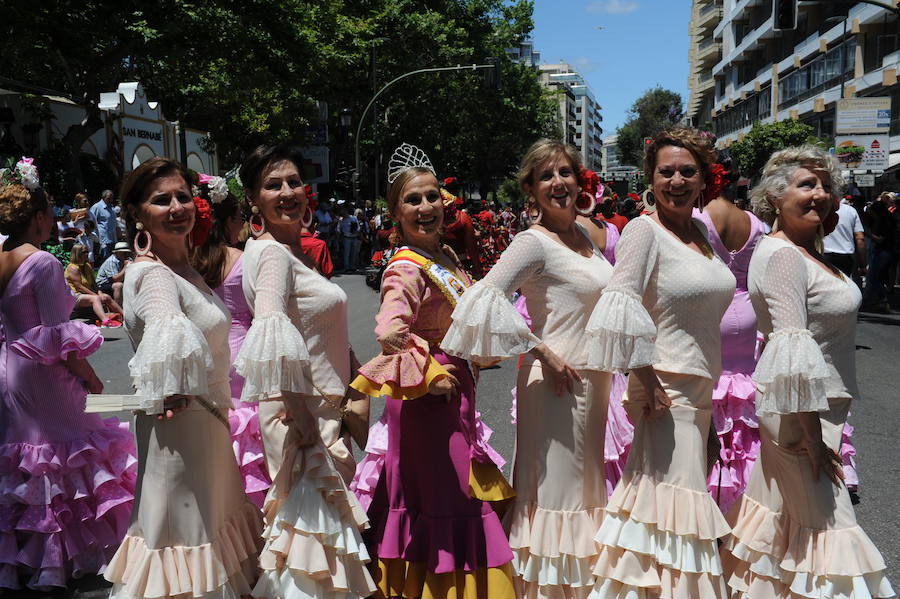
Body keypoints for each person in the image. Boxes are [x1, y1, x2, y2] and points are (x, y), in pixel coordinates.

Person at [443, 139, 613, 598]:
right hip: (555, 382)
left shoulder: (586, 237)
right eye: (546, 176)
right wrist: (539, 349)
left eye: (564, 173)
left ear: (580, 179)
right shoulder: (531, 242)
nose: (558, 183)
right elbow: (482, 299)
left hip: (594, 383)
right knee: (557, 491)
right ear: (531, 189)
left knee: (586, 487)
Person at [722, 145, 895, 598]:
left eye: (825, 186)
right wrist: (811, 436)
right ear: (776, 196)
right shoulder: (783, 256)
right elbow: (788, 347)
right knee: (831, 536)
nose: (820, 193)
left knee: (783, 535)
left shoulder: (803, 251)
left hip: (817, 411)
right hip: (803, 418)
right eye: (806, 185)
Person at [350, 144, 515, 599]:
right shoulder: (405, 266)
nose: (425, 208)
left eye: (431, 197)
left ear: (445, 202)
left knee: (454, 492)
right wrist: (430, 374)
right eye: (412, 200)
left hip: (454, 390)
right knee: (447, 497)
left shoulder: (443, 256)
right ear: (395, 212)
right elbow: (390, 331)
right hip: (429, 398)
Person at [584, 127, 736, 598]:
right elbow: (620, 303)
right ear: (650, 177)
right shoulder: (644, 231)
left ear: (704, 178)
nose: (676, 181)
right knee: (670, 509)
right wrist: (644, 376)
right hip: (665, 390)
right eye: (665, 171)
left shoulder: (702, 233)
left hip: (699, 388)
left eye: (687, 171)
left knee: (666, 509)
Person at [104, 158, 263, 599]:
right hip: (180, 429)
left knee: (206, 530)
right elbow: (165, 326)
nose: (176, 206)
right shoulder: (153, 273)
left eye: (181, 196)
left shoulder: (186, 267)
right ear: (137, 215)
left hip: (205, 424)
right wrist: (172, 382)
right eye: (160, 200)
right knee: (181, 539)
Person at [235, 144, 375, 598]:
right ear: (254, 200)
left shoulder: (292, 250)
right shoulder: (273, 254)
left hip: (321, 410)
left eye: (294, 181)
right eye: (272, 185)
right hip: (303, 417)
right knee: (310, 548)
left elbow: (318, 330)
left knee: (317, 544)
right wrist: (306, 423)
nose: (287, 192)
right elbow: (271, 333)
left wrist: (355, 380)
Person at [0, 159, 137, 592]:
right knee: (72, 450)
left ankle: (17, 561)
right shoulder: (41, 261)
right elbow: (56, 338)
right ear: (40, 217)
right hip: (42, 372)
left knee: (27, 457)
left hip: (9, 368)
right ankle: (59, 561)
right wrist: (92, 379)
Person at [188, 175, 271, 511]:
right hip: (244, 357)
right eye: (239, 218)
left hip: (205, 358)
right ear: (228, 221)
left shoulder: (187, 262)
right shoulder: (243, 257)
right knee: (249, 448)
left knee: (216, 443)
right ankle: (253, 516)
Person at [691, 150, 767, 513]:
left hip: (715, 309)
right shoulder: (753, 221)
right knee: (742, 402)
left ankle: (711, 494)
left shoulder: (700, 218)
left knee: (715, 393)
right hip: (748, 313)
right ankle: (746, 492)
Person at [65, 243, 124, 324]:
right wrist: (95, 295)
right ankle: (105, 321)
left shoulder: (87, 266)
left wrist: (99, 293)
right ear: (77, 253)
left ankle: (125, 316)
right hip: (75, 295)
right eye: (84, 252)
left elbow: (94, 284)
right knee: (95, 299)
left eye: (87, 252)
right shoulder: (73, 268)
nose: (87, 254)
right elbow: (79, 287)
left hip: (85, 294)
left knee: (106, 297)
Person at [861, 191, 896, 312]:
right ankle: (871, 300)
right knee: (874, 277)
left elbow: (881, 239)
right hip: (884, 250)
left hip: (883, 251)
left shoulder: (883, 222)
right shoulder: (885, 219)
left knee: (875, 278)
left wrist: (868, 234)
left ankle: (882, 300)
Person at [824, 197, 866, 279]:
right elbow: (860, 238)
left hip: (824, 254)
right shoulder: (851, 210)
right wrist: (863, 264)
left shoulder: (820, 209)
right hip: (846, 257)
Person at [95, 241, 132, 307]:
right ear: (116, 253)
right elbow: (115, 279)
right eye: (122, 252)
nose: (125, 254)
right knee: (118, 285)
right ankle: (118, 308)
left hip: (114, 282)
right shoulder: (111, 261)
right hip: (103, 284)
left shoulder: (127, 259)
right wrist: (126, 267)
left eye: (126, 252)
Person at [88, 189, 118, 261]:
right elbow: (91, 222)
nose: (110, 200)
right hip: (103, 239)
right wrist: (95, 238)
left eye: (112, 198)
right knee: (105, 259)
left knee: (113, 259)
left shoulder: (112, 208)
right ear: (103, 197)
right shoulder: (96, 207)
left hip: (113, 238)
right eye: (108, 199)